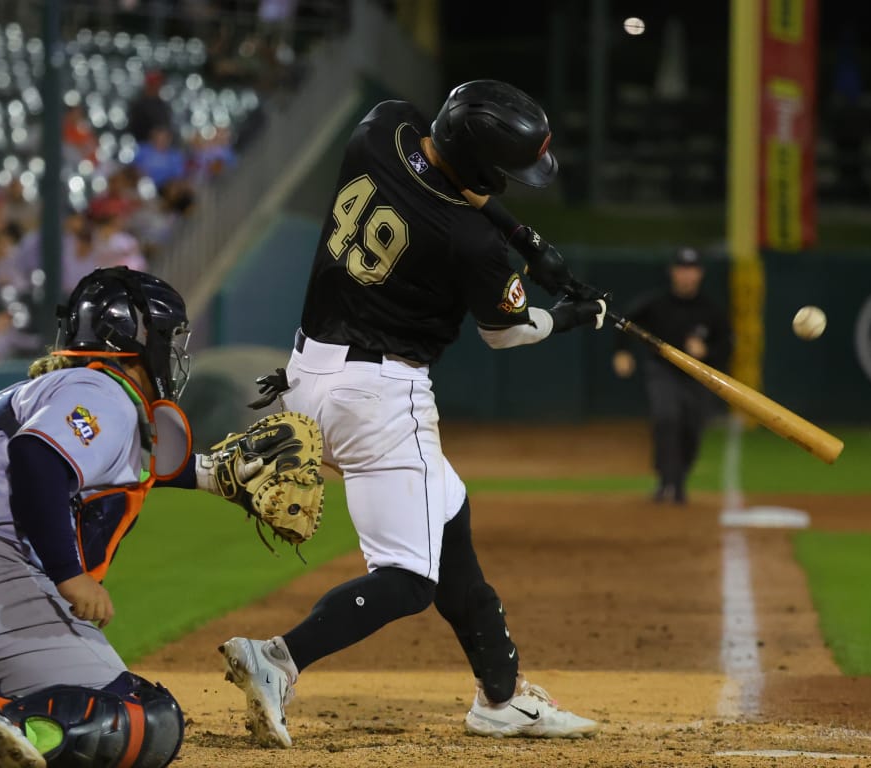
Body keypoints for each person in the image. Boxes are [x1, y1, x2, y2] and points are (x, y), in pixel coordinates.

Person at [217, 80, 605, 748]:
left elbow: (443, 187)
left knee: (449, 513)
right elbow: (508, 331)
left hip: (308, 371)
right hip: (379, 398)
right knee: (407, 580)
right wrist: (574, 313)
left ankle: (501, 698)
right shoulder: (468, 245)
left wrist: (526, 241)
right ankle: (278, 658)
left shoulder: (380, 130)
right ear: (482, 166)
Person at [0, 268, 259, 768]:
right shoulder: (105, 392)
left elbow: (120, 470)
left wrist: (211, 474)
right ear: (138, 337)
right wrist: (69, 576)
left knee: (97, 701)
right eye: (168, 336)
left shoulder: (53, 389)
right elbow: (38, 459)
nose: (174, 351)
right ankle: (7, 722)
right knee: (144, 717)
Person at [611, 247, 731, 504]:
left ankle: (677, 481)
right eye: (682, 269)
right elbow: (624, 322)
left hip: (698, 377)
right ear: (672, 272)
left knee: (691, 429)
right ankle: (667, 483)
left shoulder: (711, 310)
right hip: (663, 372)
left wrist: (707, 352)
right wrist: (622, 352)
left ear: (700, 274)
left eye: (692, 269)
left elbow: (728, 345)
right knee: (667, 418)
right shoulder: (657, 304)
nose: (687, 275)